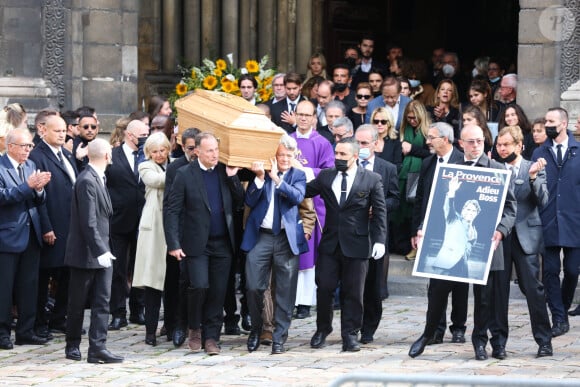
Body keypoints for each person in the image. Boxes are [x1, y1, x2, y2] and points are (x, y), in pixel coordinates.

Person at [164, 132, 244, 355]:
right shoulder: (184, 174)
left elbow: (239, 202)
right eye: (210, 151)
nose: (214, 155)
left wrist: (232, 177)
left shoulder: (223, 171)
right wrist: (173, 243)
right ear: (197, 151)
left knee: (218, 292)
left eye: (216, 150)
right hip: (196, 243)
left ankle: (212, 337)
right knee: (199, 286)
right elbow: (172, 210)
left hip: (223, 244)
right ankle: (194, 328)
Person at [306, 137, 387, 352]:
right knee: (324, 288)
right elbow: (304, 192)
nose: (338, 158)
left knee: (353, 293)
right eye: (336, 154)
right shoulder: (326, 176)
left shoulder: (371, 179)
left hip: (358, 244)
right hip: (330, 244)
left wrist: (379, 240)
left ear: (354, 155)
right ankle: (322, 329)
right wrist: (281, 180)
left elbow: (380, 212)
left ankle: (350, 334)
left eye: (343, 154)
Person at [490, 125, 553, 358]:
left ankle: (544, 341)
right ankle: (498, 343)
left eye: (506, 144)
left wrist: (534, 177)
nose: (502, 149)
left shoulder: (532, 167)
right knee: (498, 290)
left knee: (533, 290)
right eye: (499, 144)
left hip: (526, 236)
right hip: (499, 237)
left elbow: (543, 200)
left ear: (519, 145)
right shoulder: (494, 168)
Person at [243, 135, 308, 354]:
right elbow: (249, 201)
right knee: (253, 286)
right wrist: (261, 178)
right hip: (261, 236)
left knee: (285, 291)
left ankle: (279, 337)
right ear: (274, 155)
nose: (285, 159)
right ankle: (256, 330)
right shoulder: (262, 174)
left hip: (285, 238)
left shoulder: (298, 175)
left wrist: (278, 180)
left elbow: (297, 197)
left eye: (289, 155)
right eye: (281, 155)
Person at [408, 122, 468, 358]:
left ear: (446, 139)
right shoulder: (428, 163)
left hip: (456, 225)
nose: (428, 142)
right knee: (435, 282)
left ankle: (459, 327)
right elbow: (420, 196)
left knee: (460, 280)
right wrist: (416, 230)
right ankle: (436, 329)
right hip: (432, 229)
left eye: (432, 137)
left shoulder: (462, 161)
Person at [64, 138, 123, 364]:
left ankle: (98, 347)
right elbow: (87, 222)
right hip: (85, 253)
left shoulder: (98, 177)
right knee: (78, 302)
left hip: (103, 250)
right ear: (107, 156)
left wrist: (104, 250)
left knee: (102, 301)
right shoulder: (87, 180)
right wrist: (101, 250)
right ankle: (72, 345)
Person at [0, 128, 51, 350]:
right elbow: (3, 197)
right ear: (10, 146)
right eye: (24, 146)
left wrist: (39, 190)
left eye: (30, 146)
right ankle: (2, 333)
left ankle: (26, 331)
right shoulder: (1, 166)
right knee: (4, 288)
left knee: (29, 286)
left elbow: (38, 200)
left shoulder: (30, 166)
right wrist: (28, 187)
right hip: (7, 235)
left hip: (31, 233)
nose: (28, 150)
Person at [532, 107, 580, 337]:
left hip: (574, 220)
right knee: (550, 271)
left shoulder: (578, 150)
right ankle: (559, 318)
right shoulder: (539, 152)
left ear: (563, 124)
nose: (547, 125)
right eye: (546, 120)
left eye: (551, 121)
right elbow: (533, 185)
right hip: (547, 218)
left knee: (572, 270)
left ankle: (562, 304)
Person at [29, 115, 78, 338]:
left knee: (68, 273)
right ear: (43, 130)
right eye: (56, 131)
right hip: (52, 226)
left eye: (63, 131)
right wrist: (46, 227)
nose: (61, 134)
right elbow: (38, 196)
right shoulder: (38, 156)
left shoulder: (66, 154)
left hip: (70, 226)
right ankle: (39, 323)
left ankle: (59, 318)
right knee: (44, 276)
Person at [290, 100, 335, 319]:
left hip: (312, 205)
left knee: (308, 255)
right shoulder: (286, 140)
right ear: (295, 115)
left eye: (308, 115)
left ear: (314, 118)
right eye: (300, 114)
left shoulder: (322, 143)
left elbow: (329, 172)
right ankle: (289, 299)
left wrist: (304, 170)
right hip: (289, 204)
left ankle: (305, 302)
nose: (304, 118)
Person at [354, 124, 399, 341]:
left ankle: (369, 328)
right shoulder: (348, 164)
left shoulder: (387, 168)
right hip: (352, 231)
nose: (360, 147)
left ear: (375, 144)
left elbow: (394, 199)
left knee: (373, 284)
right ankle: (352, 325)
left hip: (375, 231)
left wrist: (378, 206)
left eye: (364, 143)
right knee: (353, 283)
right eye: (357, 142)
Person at [106, 120, 148, 330]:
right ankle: (118, 312)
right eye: (142, 134)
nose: (145, 137)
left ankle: (137, 309)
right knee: (118, 269)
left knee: (139, 268)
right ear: (130, 135)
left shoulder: (148, 155)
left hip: (143, 220)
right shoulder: (112, 156)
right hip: (118, 220)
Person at [132, 132, 171, 347]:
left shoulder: (172, 164)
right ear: (148, 153)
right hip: (154, 227)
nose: (159, 155)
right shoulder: (145, 166)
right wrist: (180, 171)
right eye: (154, 151)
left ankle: (171, 326)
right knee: (153, 282)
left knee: (171, 282)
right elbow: (156, 181)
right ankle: (150, 330)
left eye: (162, 150)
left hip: (171, 226)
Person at [162, 128, 199, 346]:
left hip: (202, 231)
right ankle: (178, 324)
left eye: (197, 147)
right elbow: (169, 206)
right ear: (182, 146)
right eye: (191, 148)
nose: (195, 152)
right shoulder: (176, 168)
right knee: (180, 282)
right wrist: (172, 239)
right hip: (182, 231)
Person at [392, 100, 431, 258]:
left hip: (421, 174)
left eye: (415, 118)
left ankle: (414, 245)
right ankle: (400, 245)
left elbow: (432, 154)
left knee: (414, 211)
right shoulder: (401, 130)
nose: (412, 121)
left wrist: (412, 149)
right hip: (403, 176)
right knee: (400, 212)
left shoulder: (428, 131)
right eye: (409, 118)